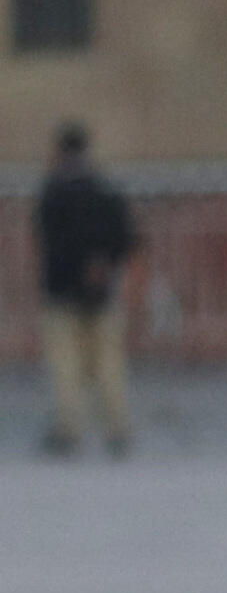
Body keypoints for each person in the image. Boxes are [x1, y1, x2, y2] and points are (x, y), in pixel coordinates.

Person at [33, 122, 138, 458]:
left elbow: (49, 241)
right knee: (108, 363)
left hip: (62, 292)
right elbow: (126, 238)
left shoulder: (53, 194)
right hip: (102, 292)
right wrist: (103, 264)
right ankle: (116, 428)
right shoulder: (105, 192)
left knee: (66, 365)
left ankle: (70, 429)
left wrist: (76, 270)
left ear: (59, 151)